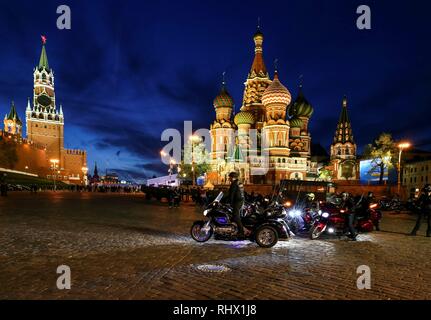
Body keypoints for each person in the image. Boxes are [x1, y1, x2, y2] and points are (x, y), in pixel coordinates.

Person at [225, 172, 249, 237]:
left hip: (237, 201)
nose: (229, 178)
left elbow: (231, 195)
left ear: (233, 178)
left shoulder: (234, 184)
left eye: (229, 177)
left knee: (236, 216)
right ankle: (233, 228)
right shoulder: (239, 182)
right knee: (233, 215)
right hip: (241, 200)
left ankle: (241, 232)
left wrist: (229, 203)